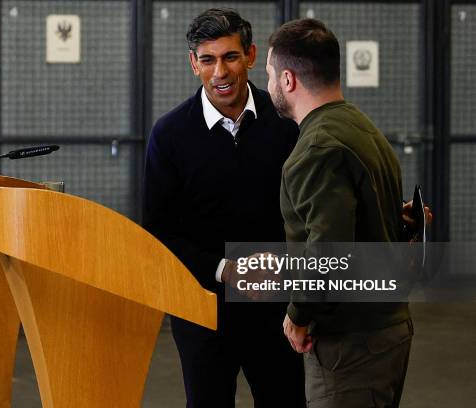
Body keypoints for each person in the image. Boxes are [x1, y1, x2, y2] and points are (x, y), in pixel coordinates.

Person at [143, 8, 306, 408]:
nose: (220, 72)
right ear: (193, 63)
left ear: (250, 56)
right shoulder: (169, 135)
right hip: (202, 310)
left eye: (230, 57)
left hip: (276, 307)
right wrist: (224, 269)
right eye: (208, 59)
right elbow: (159, 231)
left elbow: (312, 209)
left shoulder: (289, 122)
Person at [266, 18, 413, 407]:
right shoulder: (362, 129)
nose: (267, 87)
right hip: (385, 330)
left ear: (287, 80)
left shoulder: (317, 147)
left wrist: (297, 315)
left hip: (349, 345)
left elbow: (329, 247)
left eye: (267, 75)